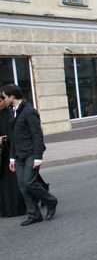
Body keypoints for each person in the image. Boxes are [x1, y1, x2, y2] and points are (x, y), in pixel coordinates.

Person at [3, 84, 58, 226]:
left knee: (29, 182)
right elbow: (14, 137)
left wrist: (38, 157)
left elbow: (37, 136)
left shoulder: (29, 111)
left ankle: (51, 201)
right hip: (19, 155)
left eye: (4, 97)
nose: (3, 100)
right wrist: (12, 157)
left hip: (31, 154)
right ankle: (34, 215)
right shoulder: (12, 111)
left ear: (12, 97)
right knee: (22, 186)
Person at [0, 89, 25, 217]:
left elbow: (12, 135)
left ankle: (15, 208)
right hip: (3, 154)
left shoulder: (7, 114)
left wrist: (4, 139)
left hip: (7, 153)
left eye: (1, 99)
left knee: (11, 181)